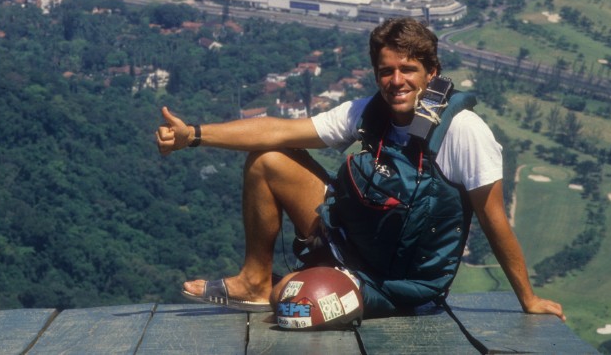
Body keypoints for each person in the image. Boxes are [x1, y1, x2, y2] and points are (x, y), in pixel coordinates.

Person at [156, 17, 565, 320]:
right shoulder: (370, 112)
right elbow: (277, 130)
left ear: (432, 74)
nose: (396, 81)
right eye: (386, 71)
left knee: (292, 303)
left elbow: (495, 220)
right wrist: (193, 134)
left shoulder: (463, 132)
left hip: (397, 284)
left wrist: (527, 299)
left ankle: (292, 284)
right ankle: (254, 281)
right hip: (348, 241)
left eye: (409, 70)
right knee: (269, 158)